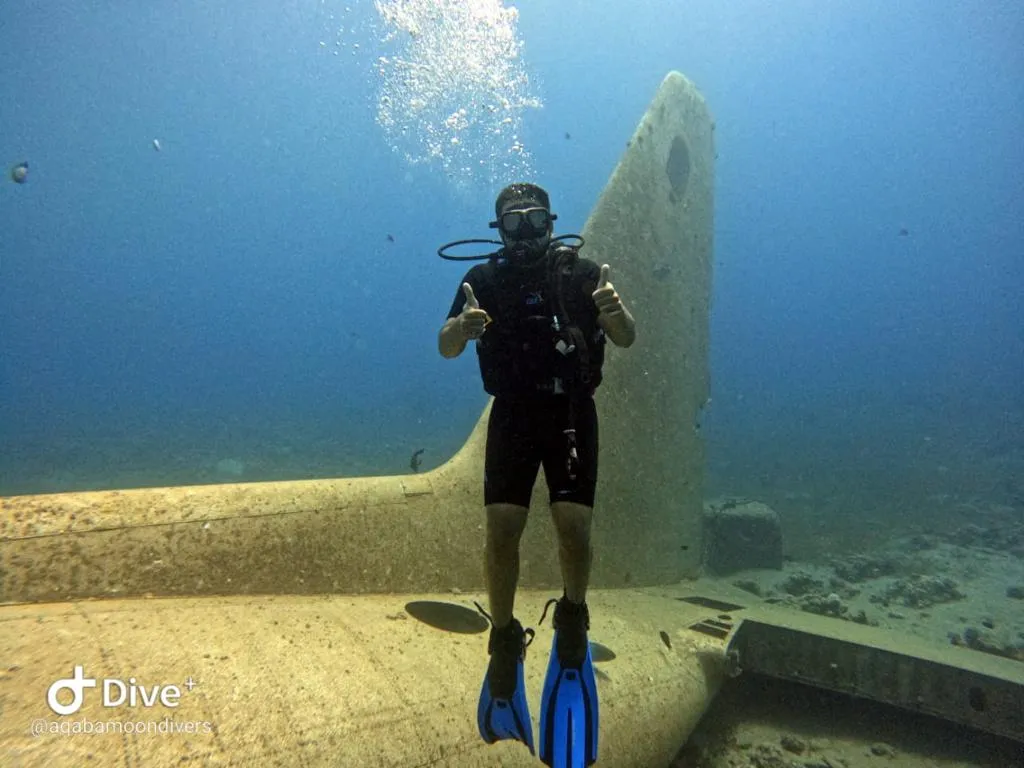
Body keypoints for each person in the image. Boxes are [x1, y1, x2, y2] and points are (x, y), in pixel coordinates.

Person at [438, 183, 635, 766]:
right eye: (511, 223)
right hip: (514, 416)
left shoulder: (582, 273)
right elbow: (445, 346)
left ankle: (572, 626)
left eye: (532, 221)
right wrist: (461, 328)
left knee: (573, 529)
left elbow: (625, 335)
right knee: (502, 531)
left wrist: (617, 313)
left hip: (572, 411)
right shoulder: (484, 281)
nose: (523, 233)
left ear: (551, 222)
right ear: (497, 228)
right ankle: (503, 642)